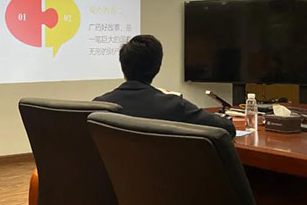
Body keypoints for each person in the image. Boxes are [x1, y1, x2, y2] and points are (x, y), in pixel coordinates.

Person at [94, 35, 236, 137]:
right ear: (157, 67)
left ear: (122, 65)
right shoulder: (172, 105)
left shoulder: (99, 105)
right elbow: (227, 128)